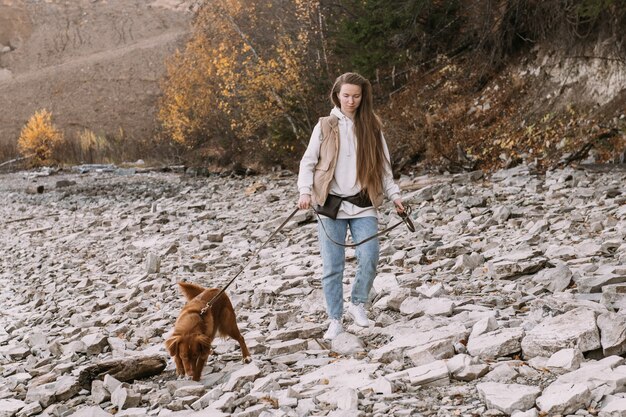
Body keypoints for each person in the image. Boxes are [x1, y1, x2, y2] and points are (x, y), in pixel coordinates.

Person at [297, 72, 404, 340]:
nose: (351, 100)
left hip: (363, 203)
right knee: (333, 266)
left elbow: (384, 167)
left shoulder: (372, 126)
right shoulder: (324, 126)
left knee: (369, 256)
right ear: (337, 95)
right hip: (330, 206)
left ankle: (358, 303)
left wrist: (396, 196)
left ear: (362, 96)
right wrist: (305, 191)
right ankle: (335, 319)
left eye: (356, 96)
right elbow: (308, 161)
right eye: (346, 95)